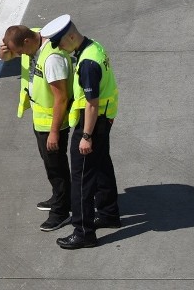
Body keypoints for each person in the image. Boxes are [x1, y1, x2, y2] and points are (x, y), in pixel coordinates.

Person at [41, 14, 121, 250]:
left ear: (72, 36)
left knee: (82, 180)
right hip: (104, 119)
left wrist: (86, 136)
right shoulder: (94, 46)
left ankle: (84, 231)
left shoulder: (87, 63)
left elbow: (91, 102)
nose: (60, 49)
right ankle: (108, 213)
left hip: (92, 124)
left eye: (61, 43)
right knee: (102, 166)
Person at [0, 25, 72, 232]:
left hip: (52, 123)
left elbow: (61, 98)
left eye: (19, 52)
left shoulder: (52, 59)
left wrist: (55, 132)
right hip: (40, 119)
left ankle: (61, 211)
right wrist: (4, 54)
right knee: (51, 165)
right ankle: (61, 197)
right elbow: (9, 54)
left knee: (56, 167)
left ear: (27, 42)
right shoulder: (31, 36)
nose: (18, 56)